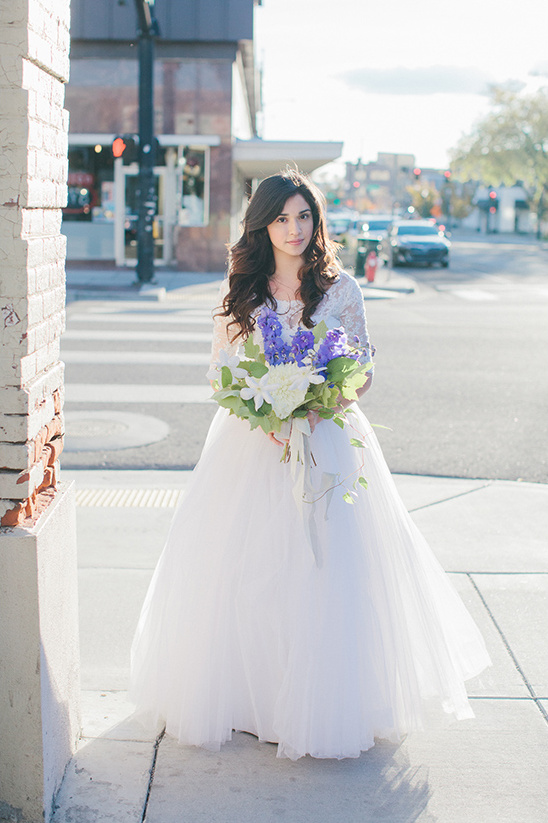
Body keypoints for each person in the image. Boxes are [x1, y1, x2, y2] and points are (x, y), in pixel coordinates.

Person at [129, 170, 490, 761]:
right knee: (252, 571)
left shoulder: (341, 288)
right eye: (282, 219)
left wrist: (322, 404)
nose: (294, 230)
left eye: (304, 217)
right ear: (263, 225)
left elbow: (363, 369)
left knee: (329, 572)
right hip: (253, 444)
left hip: (327, 437)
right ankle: (256, 699)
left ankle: (321, 702)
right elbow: (222, 370)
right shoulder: (244, 289)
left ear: (317, 222)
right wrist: (269, 415)